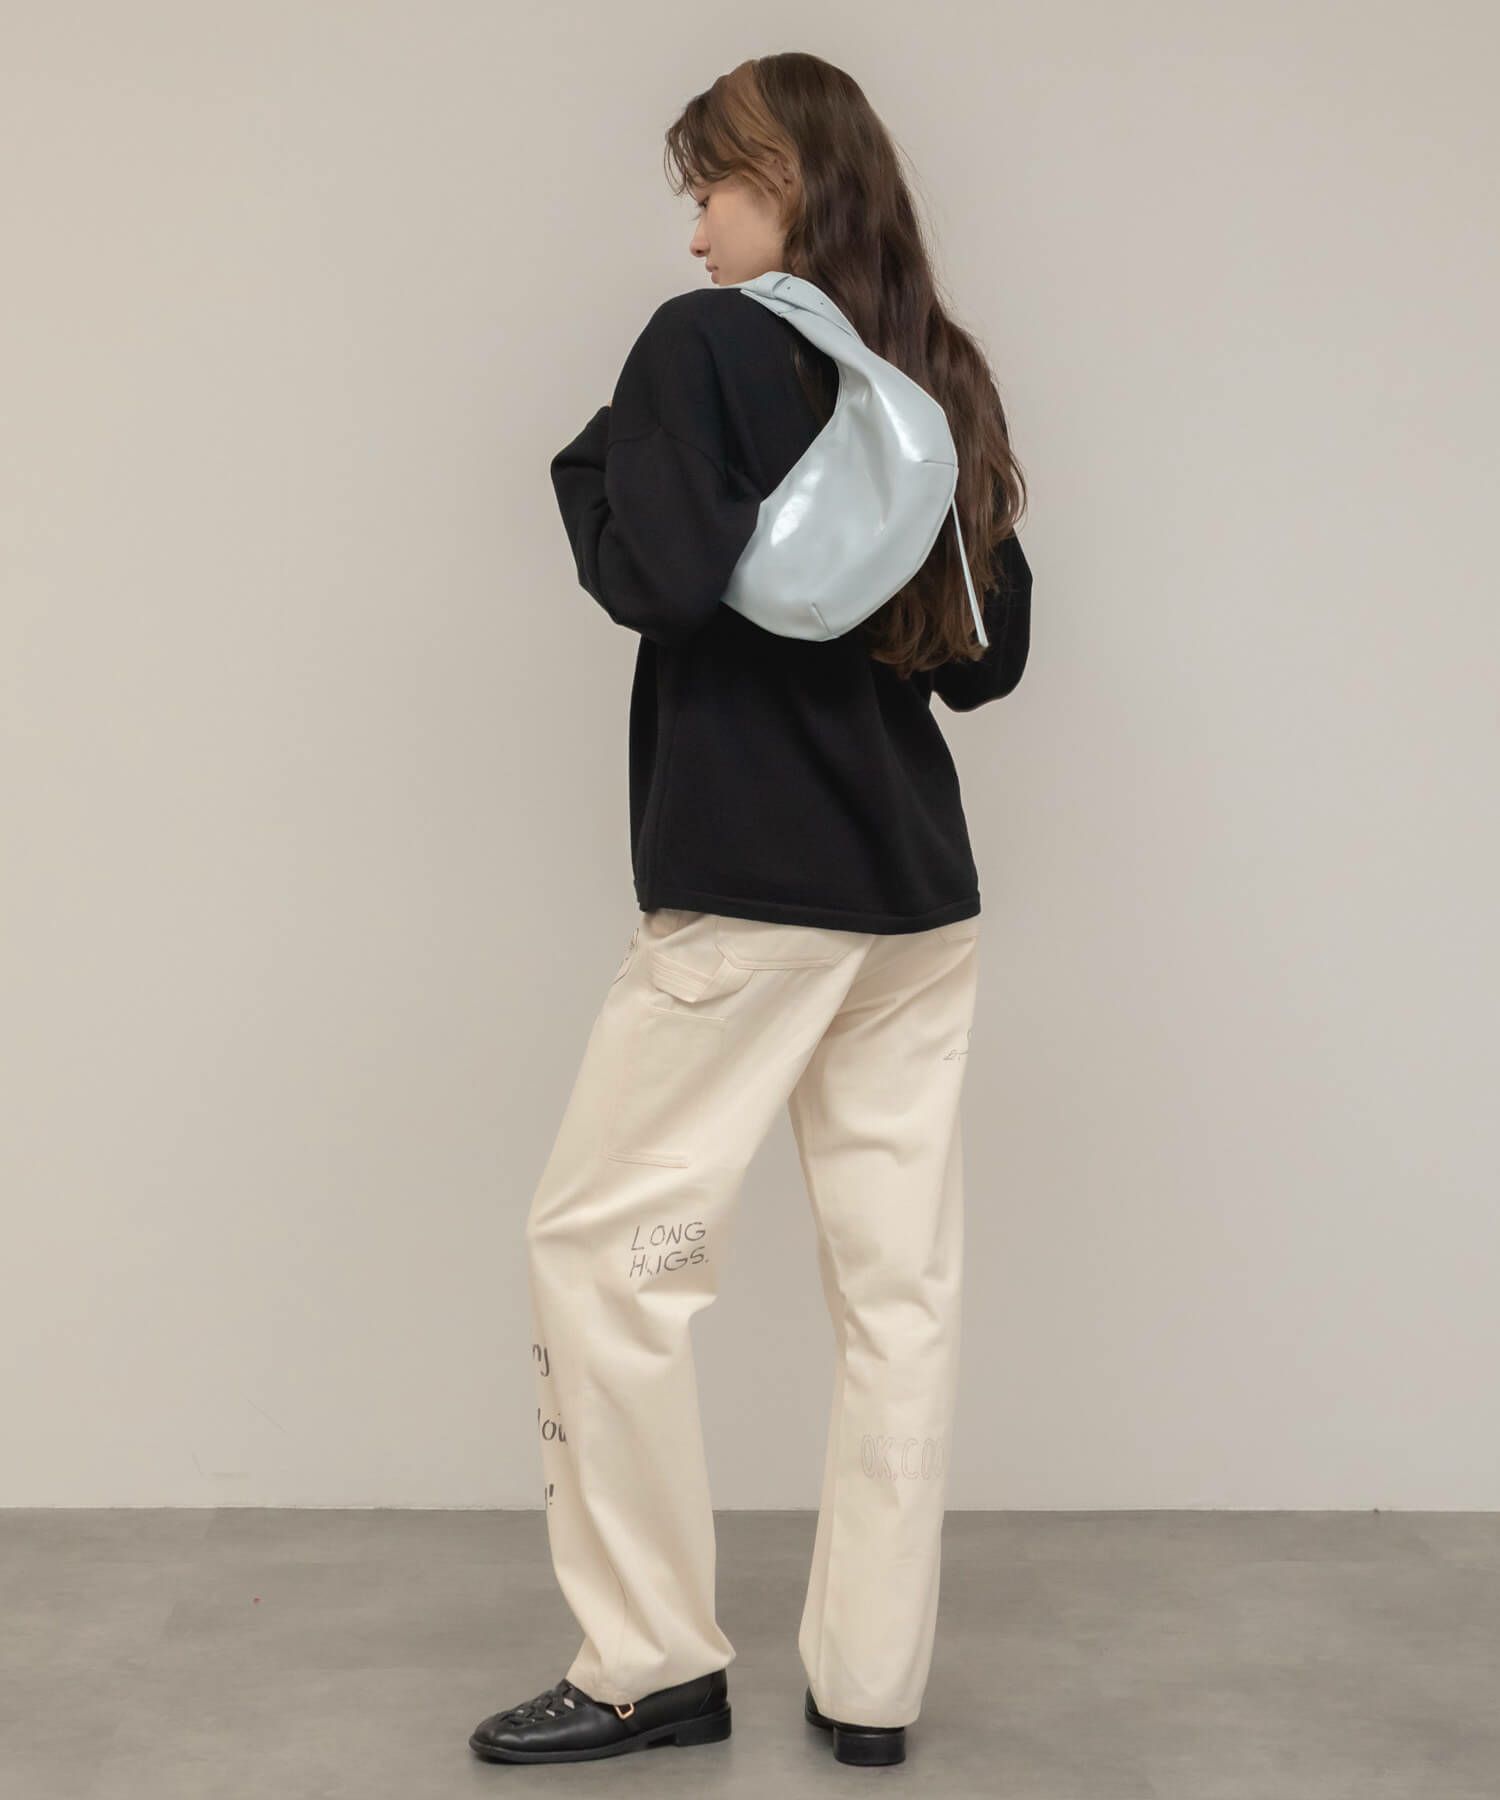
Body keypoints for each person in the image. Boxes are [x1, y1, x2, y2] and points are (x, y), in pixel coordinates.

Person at [470, 51, 1032, 1771]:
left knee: (604, 1254)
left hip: (749, 898)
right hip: (915, 904)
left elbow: (654, 573)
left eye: (709, 190)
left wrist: (599, 467)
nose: (698, 231)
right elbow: (988, 660)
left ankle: (650, 1660)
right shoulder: (935, 373)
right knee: (898, 1298)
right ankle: (871, 1688)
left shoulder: (701, 344)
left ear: (778, 181)